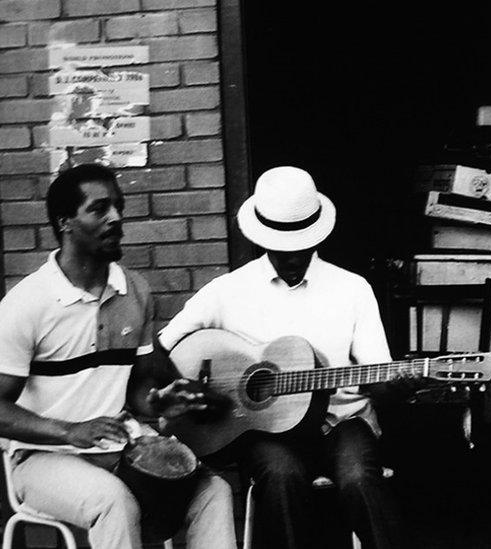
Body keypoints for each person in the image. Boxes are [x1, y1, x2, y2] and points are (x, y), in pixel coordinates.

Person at [158, 166, 406, 549]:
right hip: (266, 433)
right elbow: (162, 346)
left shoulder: (352, 289)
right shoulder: (228, 290)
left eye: (300, 244)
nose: (291, 254)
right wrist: (193, 392)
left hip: (341, 422)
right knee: (280, 475)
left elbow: (380, 371)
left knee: (359, 478)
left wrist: (399, 383)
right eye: (281, 244)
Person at [0, 164, 236, 549]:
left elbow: (139, 384)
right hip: (43, 458)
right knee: (113, 500)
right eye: (100, 208)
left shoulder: (134, 290)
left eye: (119, 207)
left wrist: (158, 401)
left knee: (213, 492)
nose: (117, 218)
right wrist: (69, 431)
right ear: (66, 223)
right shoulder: (26, 304)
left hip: (119, 446)